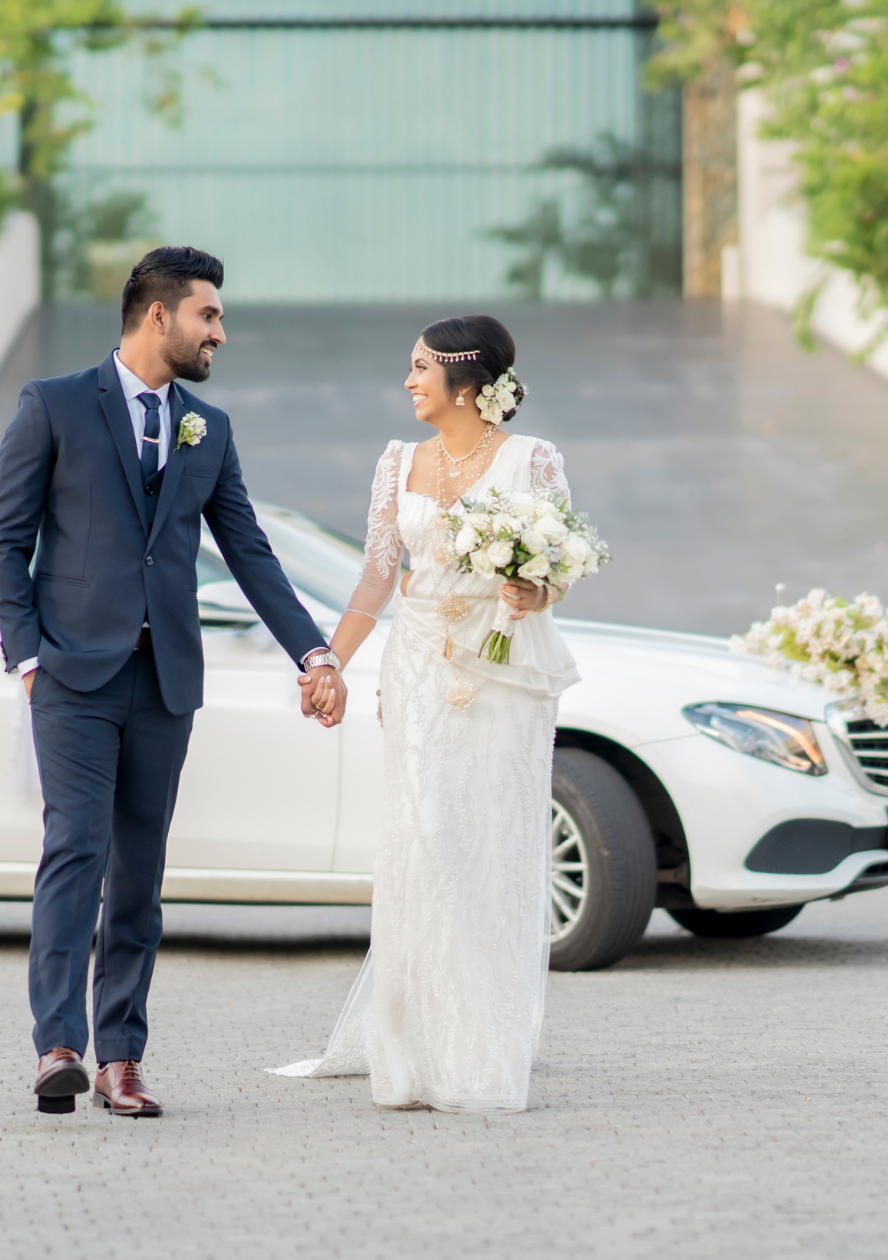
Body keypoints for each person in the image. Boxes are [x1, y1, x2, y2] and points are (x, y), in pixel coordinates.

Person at [0, 247, 348, 1119]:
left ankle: (122, 1060)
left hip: (165, 682)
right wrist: (28, 658)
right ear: (159, 315)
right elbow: (6, 541)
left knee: (139, 875)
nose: (220, 331)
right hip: (72, 676)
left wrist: (314, 654)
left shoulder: (206, 430)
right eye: (208, 315)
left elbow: (250, 552)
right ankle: (58, 1047)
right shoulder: (54, 405)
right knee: (76, 850)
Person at [273, 315, 581, 1113]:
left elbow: (560, 570)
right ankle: (412, 1053)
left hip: (501, 667)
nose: (409, 382)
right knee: (424, 837)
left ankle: (480, 1044)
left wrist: (535, 590)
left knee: (491, 838)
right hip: (416, 662)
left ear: (465, 383)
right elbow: (376, 578)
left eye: (420, 368)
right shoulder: (397, 463)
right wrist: (328, 661)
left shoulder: (532, 461)